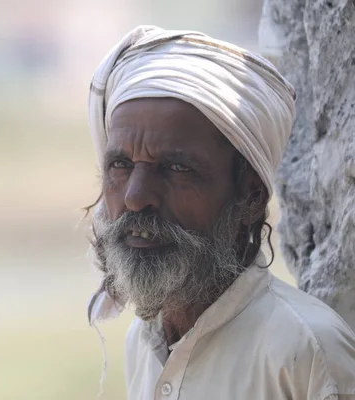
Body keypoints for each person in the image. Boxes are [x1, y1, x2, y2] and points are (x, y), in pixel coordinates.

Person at [85, 25, 355, 400]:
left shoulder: (308, 351)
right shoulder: (143, 341)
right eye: (121, 164)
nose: (135, 197)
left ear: (250, 197)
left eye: (177, 168)